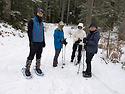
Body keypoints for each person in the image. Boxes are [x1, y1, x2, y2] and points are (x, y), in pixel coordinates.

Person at [24, 8, 46, 77]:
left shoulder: (42, 22)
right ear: (36, 13)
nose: (40, 14)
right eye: (39, 13)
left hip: (40, 42)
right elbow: (29, 32)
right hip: (34, 42)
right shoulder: (32, 21)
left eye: (41, 13)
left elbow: (42, 32)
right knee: (31, 55)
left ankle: (38, 67)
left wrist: (43, 41)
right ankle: (27, 69)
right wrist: (31, 41)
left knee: (39, 55)